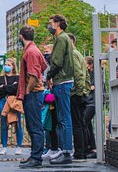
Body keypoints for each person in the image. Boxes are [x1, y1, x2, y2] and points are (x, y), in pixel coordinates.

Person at [16, 25, 47, 168]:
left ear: (21, 36)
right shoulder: (32, 50)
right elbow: (44, 66)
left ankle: (36, 157)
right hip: (34, 93)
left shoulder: (31, 52)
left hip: (34, 93)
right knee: (32, 125)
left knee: (35, 126)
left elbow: (34, 75)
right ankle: (34, 155)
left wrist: (27, 91)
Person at [46, 15, 74, 165]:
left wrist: (48, 76)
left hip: (62, 81)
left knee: (64, 118)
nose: (49, 26)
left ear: (57, 24)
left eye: (51, 23)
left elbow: (56, 62)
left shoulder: (61, 38)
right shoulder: (63, 39)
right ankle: (64, 151)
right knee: (63, 118)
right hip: (62, 81)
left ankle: (67, 152)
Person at [0, 58, 23, 155]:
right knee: (3, 124)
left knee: (18, 124)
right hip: (3, 101)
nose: (6, 66)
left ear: (13, 67)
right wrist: (10, 87)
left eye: (9, 65)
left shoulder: (17, 77)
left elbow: (17, 89)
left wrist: (4, 87)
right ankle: (4, 147)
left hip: (14, 102)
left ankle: (19, 147)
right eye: (5, 64)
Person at [68, 33, 88, 159]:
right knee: (80, 124)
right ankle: (82, 151)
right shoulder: (78, 54)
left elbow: (78, 74)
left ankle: (79, 152)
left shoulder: (73, 54)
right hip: (80, 92)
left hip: (76, 93)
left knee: (77, 124)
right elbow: (86, 75)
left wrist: (79, 91)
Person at [84, 56, 97, 158]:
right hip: (88, 101)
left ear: (91, 64)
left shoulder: (96, 73)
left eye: (86, 63)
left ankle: (88, 147)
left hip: (93, 102)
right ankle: (92, 148)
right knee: (88, 125)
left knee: (83, 122)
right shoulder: (87, 73)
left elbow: (93, 87)